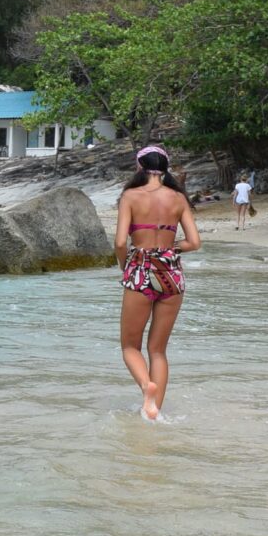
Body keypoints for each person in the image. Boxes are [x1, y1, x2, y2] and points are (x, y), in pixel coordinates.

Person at [115, 145, 202, 421]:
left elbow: (119, 242)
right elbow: (194, 243)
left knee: (130, 346)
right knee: (158, 350)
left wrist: (125, 266)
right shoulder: (178, 198)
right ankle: (154, 411)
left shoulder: (130, 196)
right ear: (165, 168)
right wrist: (171, 249)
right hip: (172, 274)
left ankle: (146, 386)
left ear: (140, 167)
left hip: (140, 271)